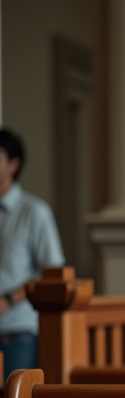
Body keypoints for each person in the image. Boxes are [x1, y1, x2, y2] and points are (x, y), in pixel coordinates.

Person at [0, 128, 65, 381]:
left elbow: (51, 272)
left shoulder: (34, 212)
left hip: (17, 333)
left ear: (13, 165)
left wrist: (8, 299)